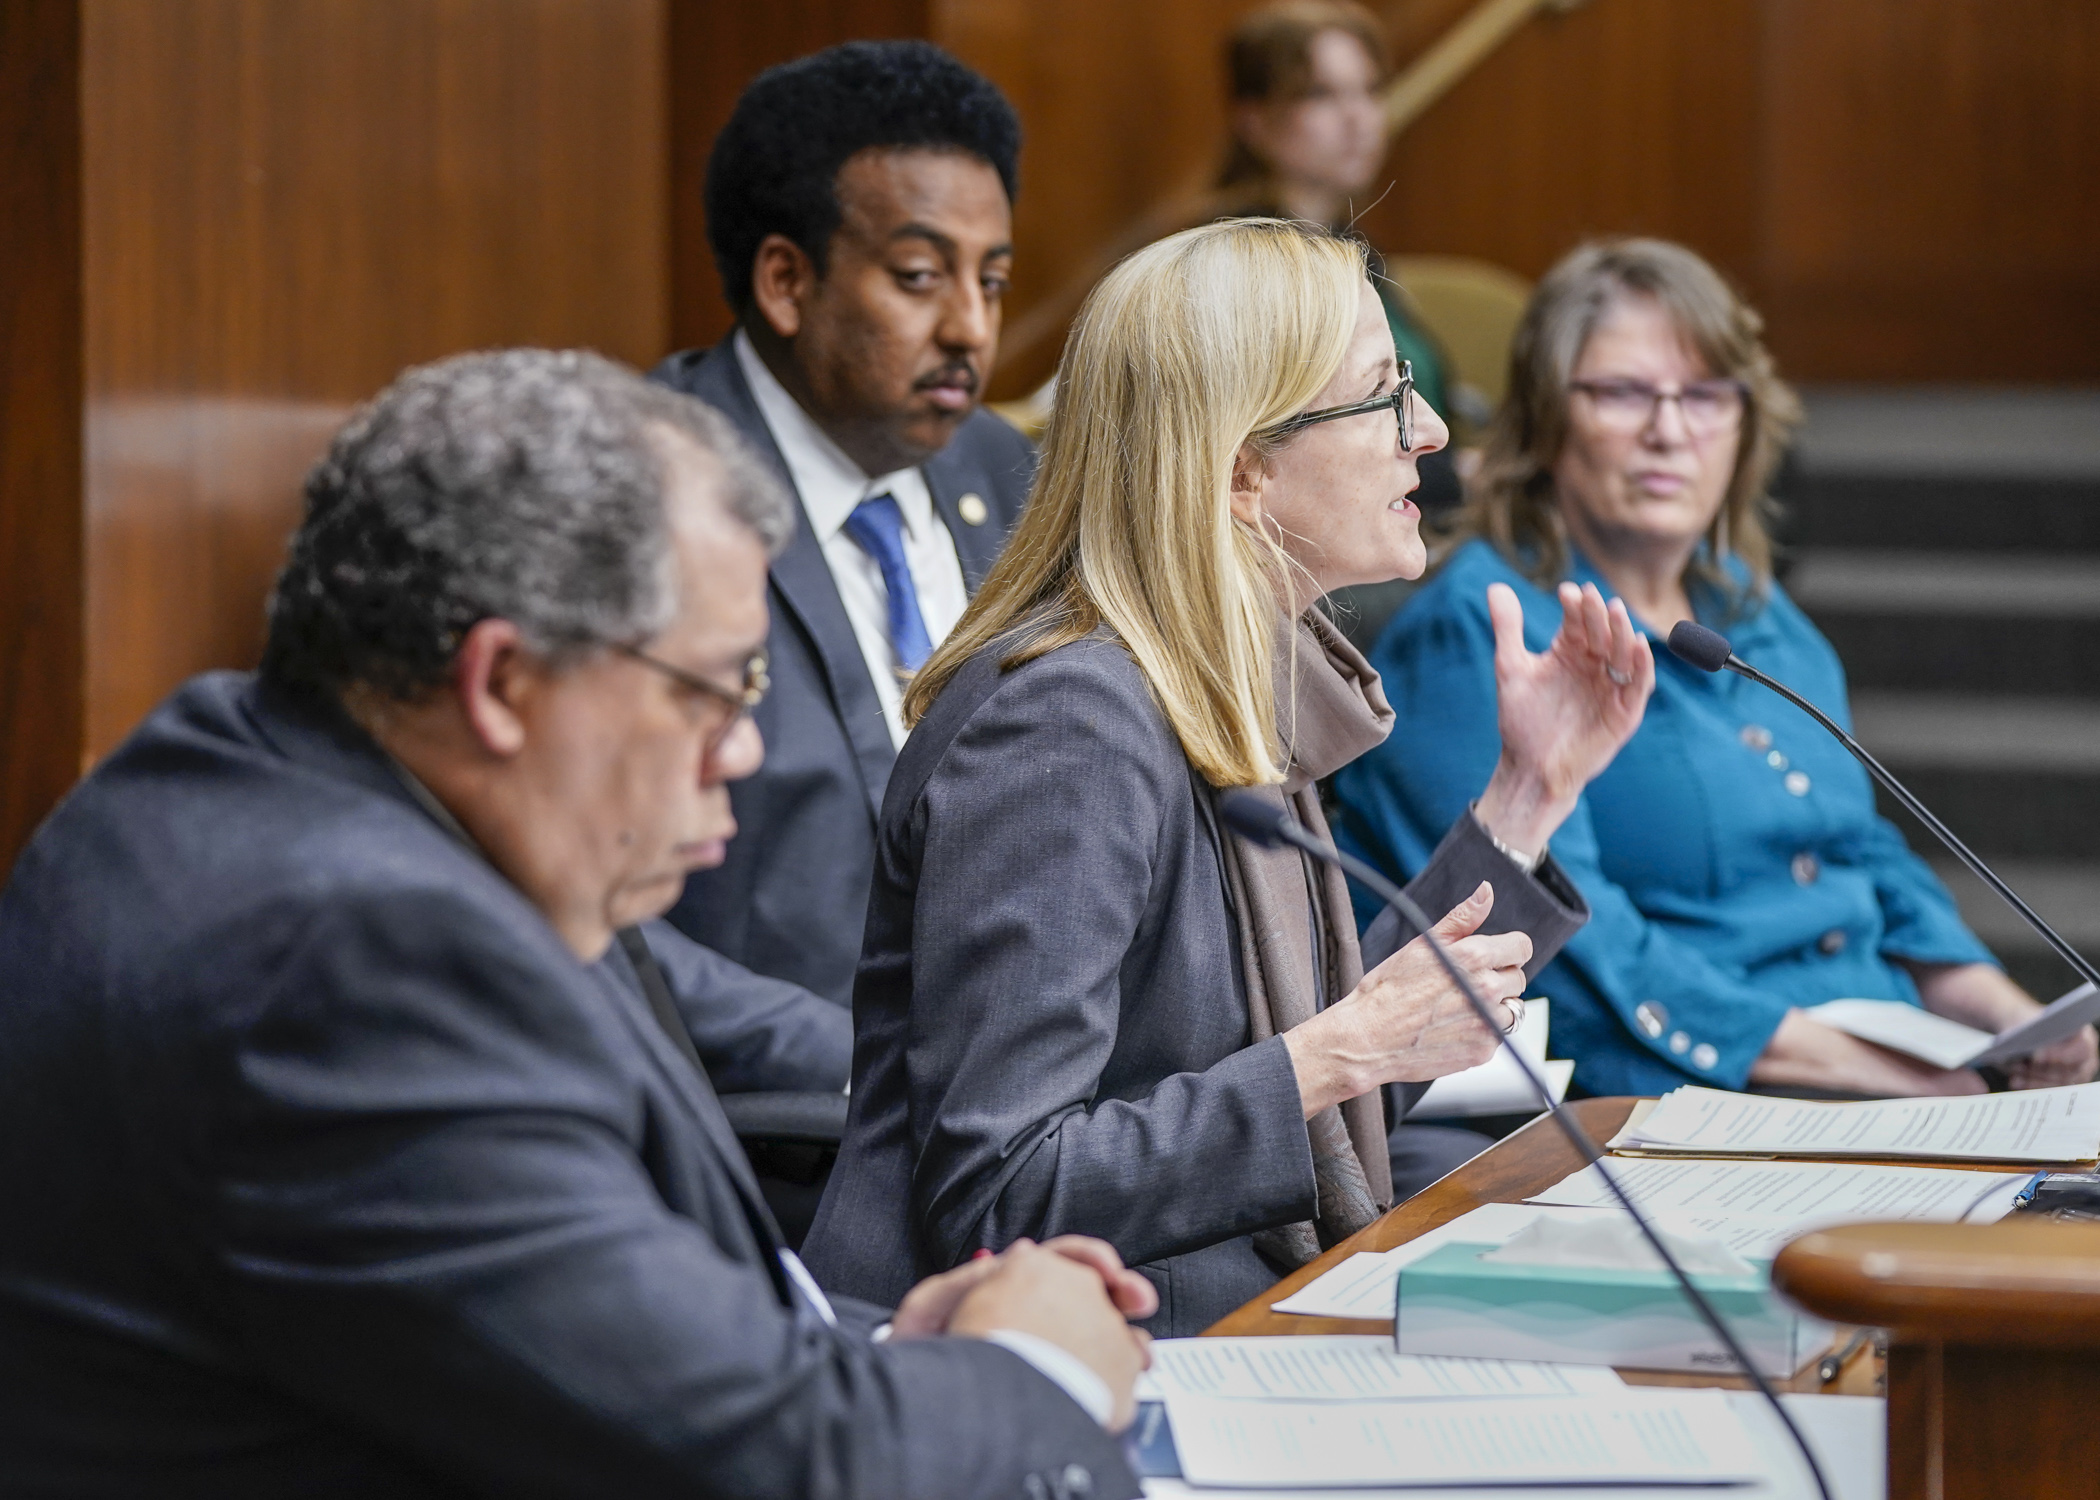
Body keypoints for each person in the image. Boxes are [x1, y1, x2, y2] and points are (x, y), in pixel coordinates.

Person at [0, 349, 1157, 1498]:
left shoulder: (262, 776)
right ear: (503, 683)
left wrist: (887, 1353)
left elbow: (584, 1344)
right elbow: (788, 1470)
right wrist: (1035, 1365)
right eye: (713, 688)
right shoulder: (350, 968)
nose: (743, 749)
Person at [804, 219, 1656, 1337]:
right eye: (1385, 395)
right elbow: (1002, 1195)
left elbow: (1320, 1088)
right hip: (1044, 1363)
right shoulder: (1069, 729)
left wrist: (1530, 793)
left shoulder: (1227, 679)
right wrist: (1336, 1051)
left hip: (1218, 1314)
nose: (1435, 430)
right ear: (1245, 465)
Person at [1331, 238, 2100, 1100]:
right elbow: (1573, 958)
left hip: (1890, 1060)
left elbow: (1860, 851)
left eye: (1704, 395)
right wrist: (1906, 1083)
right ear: (1546, 421)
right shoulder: (1487, 628)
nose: (1670, 429)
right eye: (1623, 393)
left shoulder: (1758, 615)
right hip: (1690, 1095)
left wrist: (2008, 1019)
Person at [652, 40, 1035, 1006]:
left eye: (989, 281)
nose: (970, 330)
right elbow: (587, 916)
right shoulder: (640, 490)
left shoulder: (1004, 466)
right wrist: (868, 1085)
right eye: (918, 276)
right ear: (786, 282)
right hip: (782, 1126)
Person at [1216, 0, 1464, 511]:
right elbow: (1302, 453)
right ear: (1254, 120)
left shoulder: (1349, 244)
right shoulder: (1237, 264)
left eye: (1370, 91)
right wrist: (1461, 476)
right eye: (1321, 94)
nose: (1358, 118)